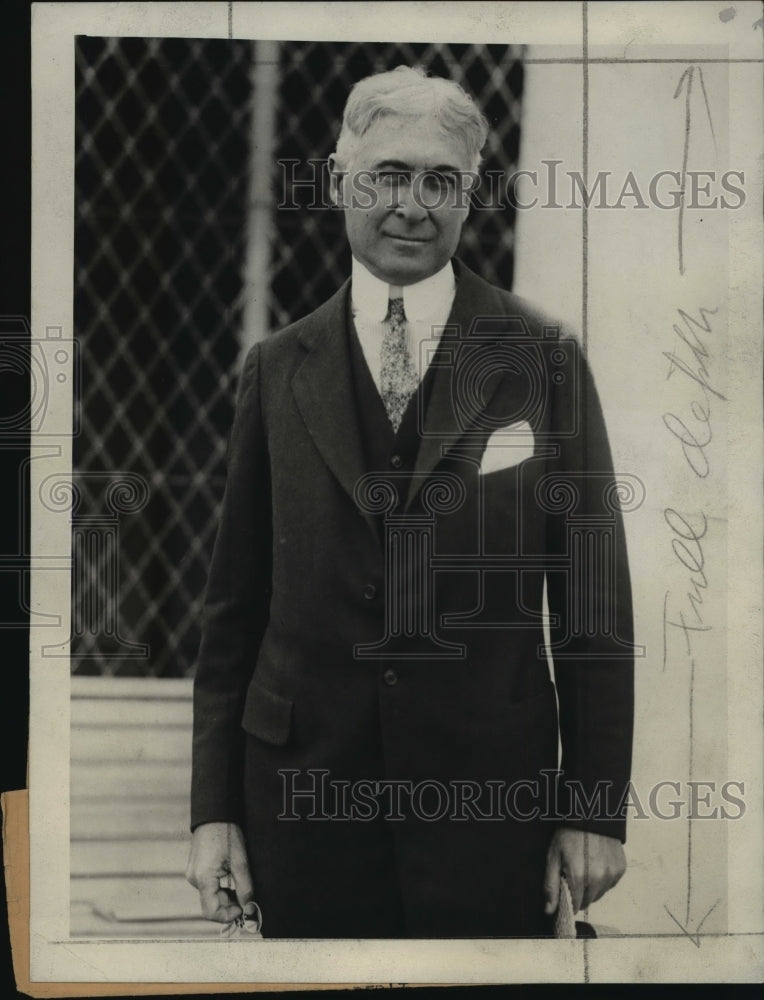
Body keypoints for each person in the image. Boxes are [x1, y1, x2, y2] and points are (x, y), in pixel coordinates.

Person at [186, 65, 634, 938]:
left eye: (441, 181)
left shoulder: (543, 358)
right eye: (388, 175)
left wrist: (593, 808)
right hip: (303, 808)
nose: (412, 205)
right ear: (341, 182)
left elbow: (593, 606)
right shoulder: (277, 369)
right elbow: (232, 613)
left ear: (470, 196)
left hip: (488, 809)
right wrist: (214, 812)